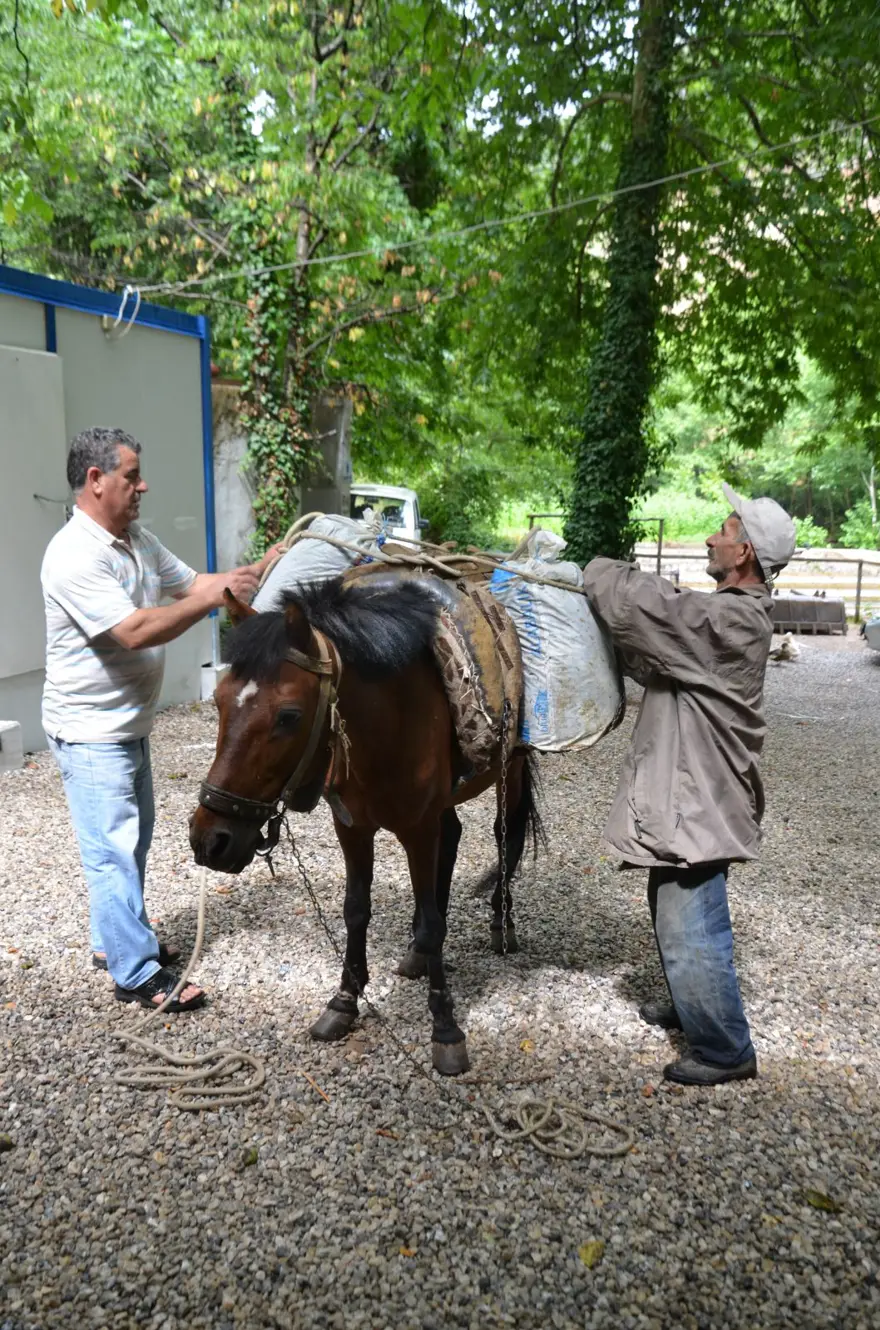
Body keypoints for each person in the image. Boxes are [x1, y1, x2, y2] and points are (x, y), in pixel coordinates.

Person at [41, 427, 282, 1012]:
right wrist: (208, 599)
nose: (142, 484)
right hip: (92, 730)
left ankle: (112, 941)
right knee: (113, 850)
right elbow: (134, 630)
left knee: (133, 839)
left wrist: (258, 569)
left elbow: (198, 584)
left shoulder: (136, 540)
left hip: (127, 725)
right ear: (95, 481)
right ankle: (136, 974)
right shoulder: (73, 555)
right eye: (131, 475)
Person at [582, 484, 797, 1086]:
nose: (711, 536)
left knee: (689, 914)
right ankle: (691, 1000)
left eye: (724, 532)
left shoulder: (733, 620)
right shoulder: (726, 614)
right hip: (692, 789)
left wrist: (590, 568)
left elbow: (655, 610)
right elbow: (657, 647)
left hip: (698, 795)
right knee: (673, 897)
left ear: (746, 553)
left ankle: (726, 1049)